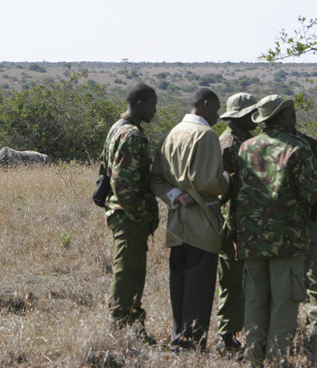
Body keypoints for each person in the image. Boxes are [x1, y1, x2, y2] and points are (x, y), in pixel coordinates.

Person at [237, 95, 317, 368]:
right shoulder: (297, 148)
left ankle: (253, 364)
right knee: (284, 303)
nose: (294, 118)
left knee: (254, 302)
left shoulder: (245, 147)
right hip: (286, 240)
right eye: (290, 114)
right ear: (281, 117)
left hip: (251, 241)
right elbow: (311, 193)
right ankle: (276, 366)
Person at [150, 87, 229, 351]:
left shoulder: (172, 132)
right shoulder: (206, 135)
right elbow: (208, 182)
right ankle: (191, 343)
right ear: (206, 105)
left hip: (177, 222)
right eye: (216, 109)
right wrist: (228, 181)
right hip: (202, 221)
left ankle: (178, 339)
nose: (217, 116)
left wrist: (175, 194)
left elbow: (156, 178)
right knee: (200, 284)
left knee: (179, 282)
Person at [100, 83, 160, 344]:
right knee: (128, 274)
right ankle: (120, 329)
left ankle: (132, 326)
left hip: (120, 212)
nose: (155, 111)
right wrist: (142, 215)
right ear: (141, 104)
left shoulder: (116, 128)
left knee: (131, 272)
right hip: (128, 215)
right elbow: (123, 185)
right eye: (153, 105)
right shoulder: (131, 134)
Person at [216, 93, 258, 353]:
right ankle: (227, 337)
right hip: (234, 221)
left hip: (245, 221)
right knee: (232, 279)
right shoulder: (230, 143)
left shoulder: (242, 140)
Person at [291, 128, 317, 348]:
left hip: (286, 223)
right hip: (304, 220)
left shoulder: (258, 143)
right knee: (313, 278)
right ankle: (315, 330)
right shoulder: (311, 143)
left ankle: (314, 331)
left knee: (312, 276)